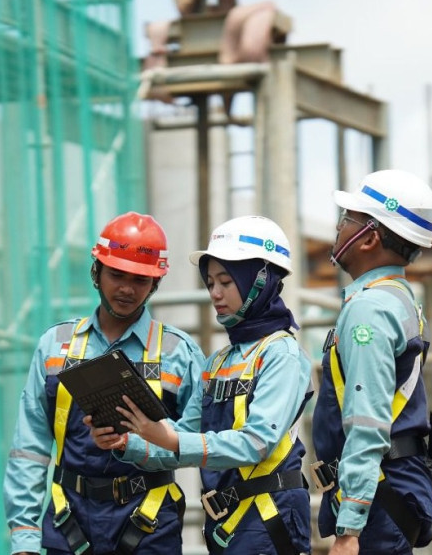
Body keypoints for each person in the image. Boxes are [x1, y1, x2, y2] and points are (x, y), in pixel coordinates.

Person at [92, 215, 314, 555]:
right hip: (227, 525)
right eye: (210, 282)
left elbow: (257, 442)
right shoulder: (219, 361)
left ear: (261, 282)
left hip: (269, 520)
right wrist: (128, 443)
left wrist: (170, 437)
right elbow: (182, 439)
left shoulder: (281, 353)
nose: (215, 293)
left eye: (226, 281)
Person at [4, 212, 206, 555]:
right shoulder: (56, 345)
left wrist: (138, 442)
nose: (127, 288)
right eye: (117, 274)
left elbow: (198, 442)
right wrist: (24, 535)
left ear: (155, 284)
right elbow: (31, 444)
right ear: (96, 271)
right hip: (68, 522)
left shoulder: (180, 353)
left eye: (140, 279)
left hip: (150, 524)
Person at [312, 169, 432, 555]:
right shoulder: (398, 299)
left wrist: (349, 528)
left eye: (348, 220)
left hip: (378, 492)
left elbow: (368, 421)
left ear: (370, 236)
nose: (340, 228)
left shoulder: (370, 310)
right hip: (392, 486)